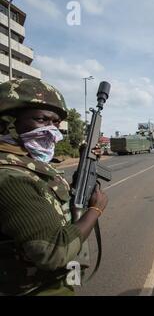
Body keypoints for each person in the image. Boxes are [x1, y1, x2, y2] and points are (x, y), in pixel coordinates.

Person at [0, 79, 108, 296]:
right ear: (7, 123)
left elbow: (55, 201)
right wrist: (95, 210)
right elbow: (53, 252)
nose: (51, 130)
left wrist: (85, 166)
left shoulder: (28, 165)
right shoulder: (11, 177)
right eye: (41, 120)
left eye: (56, 123)